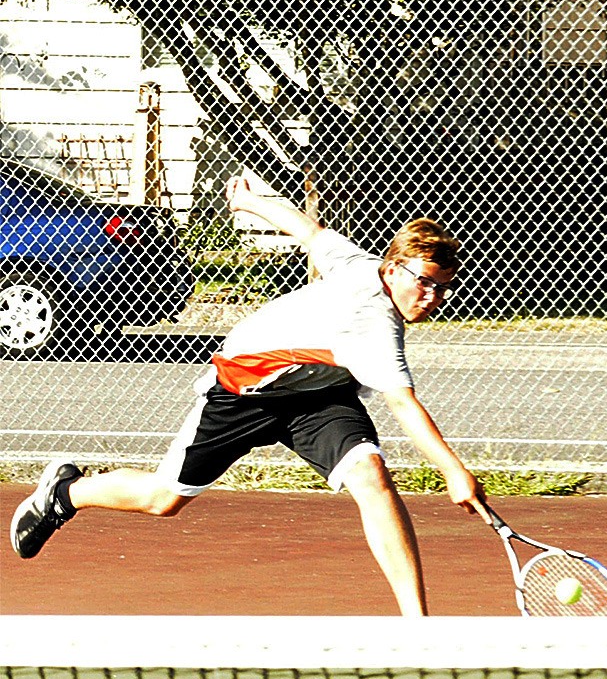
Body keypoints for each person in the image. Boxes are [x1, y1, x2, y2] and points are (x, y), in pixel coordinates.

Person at [10, 176, 490, 617]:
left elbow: (308, 230)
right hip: (245, 392)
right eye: (423, 282)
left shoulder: (359, 262)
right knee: (163, 500)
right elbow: (404, 404)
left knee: (371, 476)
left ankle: (418, 626)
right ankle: (65, 494)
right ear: (393, 270)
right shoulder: (373, 323)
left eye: (442, 287)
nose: (432, 296)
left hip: (317, 396)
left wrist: (251, 202)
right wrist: (453, 471)